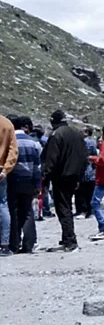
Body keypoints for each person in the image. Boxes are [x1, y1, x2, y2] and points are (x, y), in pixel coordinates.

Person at [43, 110, 87, 252]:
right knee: (68, 206)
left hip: (61, 177)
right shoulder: (77, 133)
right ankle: (66, 237)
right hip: (75, 176)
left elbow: (51, 160)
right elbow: (84, 157)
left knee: (63, 208)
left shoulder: (56, 135)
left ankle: (70, 240)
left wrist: (45, 178)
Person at [6, 116, 41, 253]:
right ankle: (29, 243)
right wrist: (37, 184)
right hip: (29, 180)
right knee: (27, 211)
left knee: (13, 211)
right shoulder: (34, 143)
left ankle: (13, 244)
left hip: (13, 179)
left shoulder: (9, 141)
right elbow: (38, 167)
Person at [0, 114, 19, 256]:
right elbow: (13, 151)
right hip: (1, 170)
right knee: (2, 206)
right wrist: (6, 170)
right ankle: (4, 245)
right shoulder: (7, 124)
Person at [75, 127, 98, 219]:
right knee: (90, 192)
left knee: (81, 192)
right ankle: (90, 210)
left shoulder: (84, 142)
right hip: (91, 171)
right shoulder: (93, 142)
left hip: (83, 171)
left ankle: (83, 210)